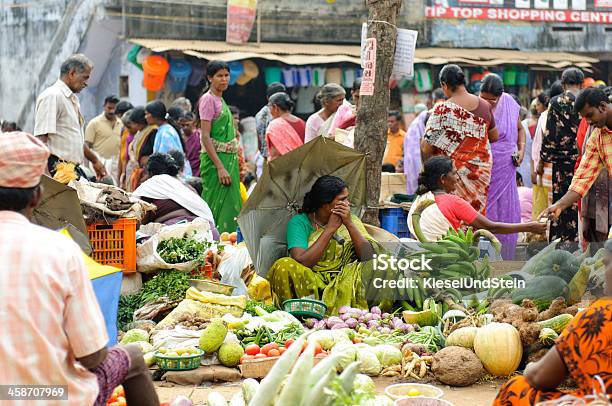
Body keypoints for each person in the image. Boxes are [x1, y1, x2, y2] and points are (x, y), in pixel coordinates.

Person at [0, 132, 159, 406]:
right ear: (37, 196)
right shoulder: (59, 250)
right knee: (132, 356)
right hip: (50, 397)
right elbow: (93, 356)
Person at [493, 241, 611, 405]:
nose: (603, 272)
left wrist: (530, 367)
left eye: (607, 264)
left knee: (515, 387)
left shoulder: (598, 316)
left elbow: (540, 378)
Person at [267, 175, 380, 314]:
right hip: (311, 285)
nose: (348, 203)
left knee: (384, 265)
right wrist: (330, 229)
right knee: (283, 265)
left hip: (348, 282)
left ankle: (366, 314)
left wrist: (349, 224)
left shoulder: (351, 220)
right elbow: (302, 261)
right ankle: (305, 313)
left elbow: (369, 257)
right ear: (325, 203)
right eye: (342, 200)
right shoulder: (299, 223)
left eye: (347, 198)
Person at [408, 156, 546, 242]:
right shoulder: (453, 201)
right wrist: (529, 227)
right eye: (454, 173)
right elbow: (491, 227)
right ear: (443, 179)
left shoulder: (418, 200)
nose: (457, 178)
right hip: (447, 259)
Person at [422, 64, 498, 214]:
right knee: (474, 219)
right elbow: (494, 136)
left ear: (444, 85)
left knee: (453, 220)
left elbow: (427, 148)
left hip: (452, 176)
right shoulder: (484, 105)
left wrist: (448, 140)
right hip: (478, 174)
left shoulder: (441, 110)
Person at [542, 87, 612, 240]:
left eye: (590, 115)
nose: (589, 122)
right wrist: (560, 205)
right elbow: (583, 178)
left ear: (602, 106)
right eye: (584, 118)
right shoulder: (597, 138)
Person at [34, 54, 107, 180]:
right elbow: (41, 140)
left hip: (72, 170)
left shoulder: (71, 99)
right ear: (72, 73)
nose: (86, 83)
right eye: (85, 78)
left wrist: (95, 160)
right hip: (57, 170)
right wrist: (47, 178)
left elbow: (75, 140)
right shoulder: (53, 96)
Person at [479, 74, 525, 259]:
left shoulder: (509, 104)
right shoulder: (475, 105)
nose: (488, 104)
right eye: (484, 98)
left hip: (507, 167)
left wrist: (521, 151)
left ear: (500, 96)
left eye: (492, 100)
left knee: (507, 212)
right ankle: (483, 260)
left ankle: (505, 259)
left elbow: (520, 129)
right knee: (485, 212)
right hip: (483, 168)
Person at [538, 68, 584, 247]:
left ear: (563, 83)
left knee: (561, 203)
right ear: (580, 83)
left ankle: (561, 243)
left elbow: (549, 133)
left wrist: (545, 156)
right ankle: (581, 242)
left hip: (561, 161)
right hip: (584, 160)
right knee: (581, 201)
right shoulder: (584, 100)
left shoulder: (556, 102)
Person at [197, 60, 242, 233]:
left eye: (226, 75)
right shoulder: (208, 100)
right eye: (219, 76)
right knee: (217, 205)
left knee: (232, 204)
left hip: (228, 159)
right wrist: (220, 167)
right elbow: (205, 136)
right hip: (217, 161)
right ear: (210, 78)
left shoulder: (220, 99)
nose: (224, 79)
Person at [133, 153, 218, 237]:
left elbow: (139, 221)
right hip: (209, 231)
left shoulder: (152, 184)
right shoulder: (186, 185)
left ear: (151, 173)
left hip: (175, 232)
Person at [404, 88, 446, 195]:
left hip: (428, 163)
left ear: (433, 100)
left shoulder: (426, 116)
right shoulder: (452, 112)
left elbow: (423, 147)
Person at [85, 95, 122, 182]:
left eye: (114, 108)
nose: (112, 111)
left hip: (116, 165)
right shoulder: (94, 123)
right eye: (109, 108)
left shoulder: (122, 123)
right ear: (104, 106)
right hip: (99, 164)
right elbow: (86, 146)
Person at [124, 107, 158, 191]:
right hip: (136, 168)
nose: (133, 126)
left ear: (141, 123)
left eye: (135, 123)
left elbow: (154, 153)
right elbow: (131, 147)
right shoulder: (140, 132)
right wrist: (132, 159)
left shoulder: (152, 131)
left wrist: (148, 173)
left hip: (146, 171)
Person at [265, 92, 305, 160]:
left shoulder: (274, 126)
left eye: (269, 107)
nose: (269, 110)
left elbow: (275, 155)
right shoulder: (302, 123)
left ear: (275, 107)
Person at [256, 82, 287, 160]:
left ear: (267, 97)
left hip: (265, 157)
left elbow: (259, 142)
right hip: (278, 158)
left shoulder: (259, 114)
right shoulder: (279, 113)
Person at [179, 111, 202, 177]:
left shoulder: (199, 136)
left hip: (198, 170)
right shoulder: (180, 137)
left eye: (187, 125)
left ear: (193, 124)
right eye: (183, 125)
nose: (185, 127)